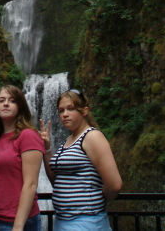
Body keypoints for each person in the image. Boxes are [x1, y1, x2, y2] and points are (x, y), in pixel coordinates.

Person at [40, 89, 122, 231]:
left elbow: (114, 185)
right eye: (61, 110)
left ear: (84, 111)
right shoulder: (69, 140)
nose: (65, 114)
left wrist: (94, 202)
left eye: (70, 109)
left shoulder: (92, 137)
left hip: (87, 221)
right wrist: (47, 149)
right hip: (63, 220)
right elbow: (57, 180)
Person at [0, 85, 45, 231]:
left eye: (12, 100)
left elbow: (31, 184)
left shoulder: (28, 136)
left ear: (20, 106)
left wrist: (18, 227)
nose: (6, 103)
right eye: (1, 100)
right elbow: (1, 178)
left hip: (15, 222)